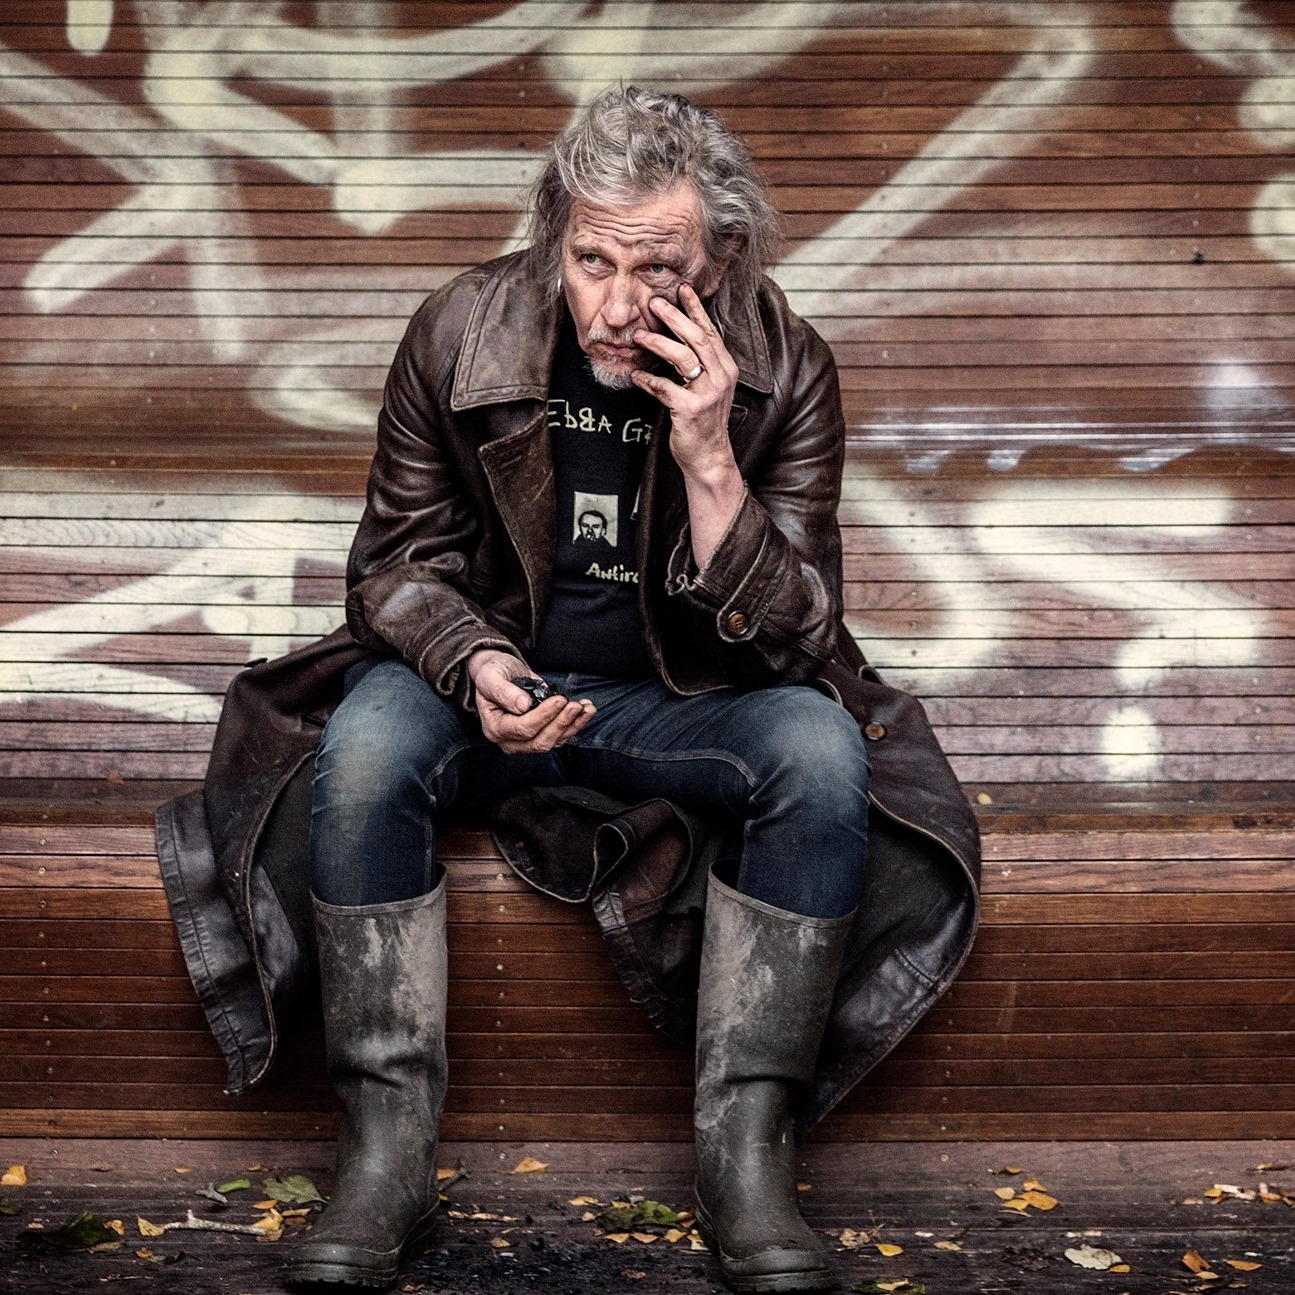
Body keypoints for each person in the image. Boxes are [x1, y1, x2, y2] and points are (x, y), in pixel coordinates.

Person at [154, 85, 978, 1295]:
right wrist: (478, 663)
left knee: (818, 748)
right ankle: (383, 1155)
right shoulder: (460, 329)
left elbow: (799, 636)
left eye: (656, 268)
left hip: (677, 702)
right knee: (366, 741)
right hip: (482, 687)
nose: (615, 303)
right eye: (591, 259)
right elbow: (395, 565)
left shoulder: (785, 368)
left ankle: (747, 1158)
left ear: (719, 260)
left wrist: (709, 459)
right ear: (556, 236)